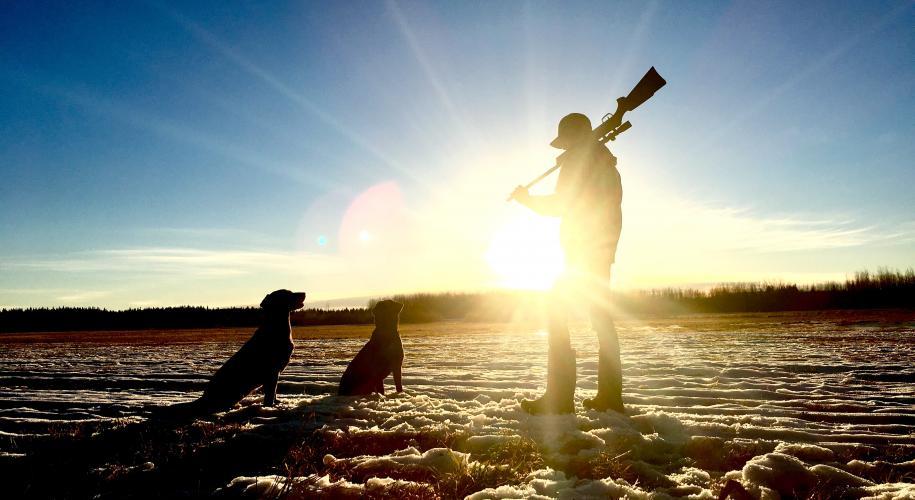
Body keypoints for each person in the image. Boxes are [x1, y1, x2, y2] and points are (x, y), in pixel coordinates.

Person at [510, 112, 624, 414]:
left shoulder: (581, 162)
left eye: (566, 143)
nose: (562, 150)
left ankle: (559, 399)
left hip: (582, 253)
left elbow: (561, 205)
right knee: (602, 321)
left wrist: (527, 199)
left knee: (556, 311)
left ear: (573, 139)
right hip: (600, 251)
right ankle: (611, 398)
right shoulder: (602, 159)